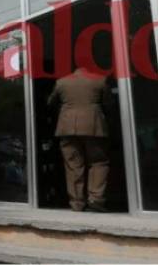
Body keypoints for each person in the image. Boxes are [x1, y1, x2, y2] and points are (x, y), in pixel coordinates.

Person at [47, 67, 113, 212]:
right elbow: (109, 104)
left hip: (67, 127)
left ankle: (76, 202)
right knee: (98, 162)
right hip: (94, 126)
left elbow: (50, 103)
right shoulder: (100, 80)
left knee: (73, 166)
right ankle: (96, 198)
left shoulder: (61, 82)